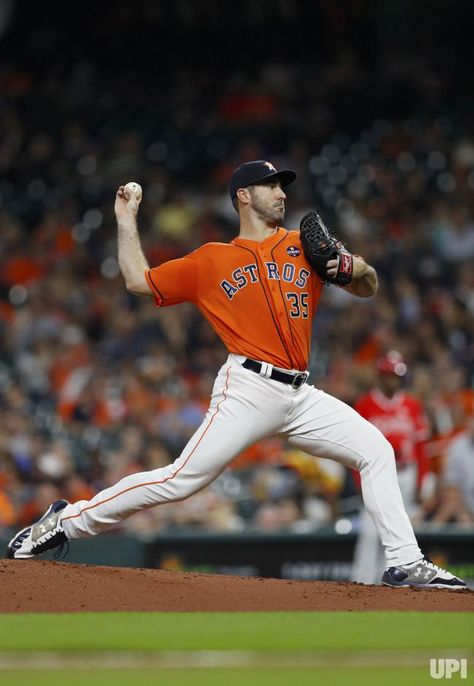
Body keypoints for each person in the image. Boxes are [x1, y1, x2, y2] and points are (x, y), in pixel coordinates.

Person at [6, 160, 466, 589]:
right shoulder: (211, 259)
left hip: (301, 393)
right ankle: (64, 522)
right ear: (243, 195)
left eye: (282, 185)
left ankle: (405, 560)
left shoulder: (301, 244)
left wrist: (352, 267)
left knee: (376, 451)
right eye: (271, 185)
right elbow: (138, 281)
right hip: (248, 386)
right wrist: (126, 219)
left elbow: (368, 286)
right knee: (180, 480)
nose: (281, 192)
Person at [351, 351, 430, 584]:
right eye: (390, 376)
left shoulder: (411, 405)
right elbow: (354, 446)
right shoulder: (365, 404)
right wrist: (358, 480)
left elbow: (421, 448)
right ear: (381, 376)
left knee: (402, 532)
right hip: (376, 475)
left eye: (397, 376)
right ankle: (362, 582)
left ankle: (398, 582)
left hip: (406, 474)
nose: (394, 380)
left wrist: (420, 482)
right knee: (370, 532)